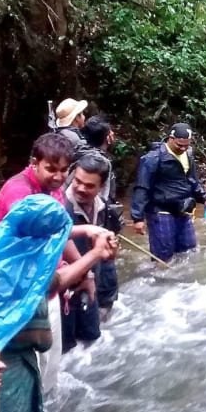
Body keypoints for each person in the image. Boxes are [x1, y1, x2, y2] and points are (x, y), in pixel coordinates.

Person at [0, 197, 118, 412]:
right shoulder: (3, 269)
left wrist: (94, 253)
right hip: (0, 369)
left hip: (12, 367)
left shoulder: (6, 250)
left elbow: (53, 283)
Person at [0, 132, 111, 394]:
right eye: (50, 169)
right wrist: (91, 251)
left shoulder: (53, 189)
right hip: (18, 292)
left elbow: (59, 232)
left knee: (50, 364)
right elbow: (42, 262)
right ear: (34, 162)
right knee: (23, 370)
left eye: (63, 170)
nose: (58, 177)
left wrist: (86, 274)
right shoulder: (19, 192)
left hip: (48, 286)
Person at [131, 123, 206, 263]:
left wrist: (205, 199)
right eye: (179, 145)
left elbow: (192, 180)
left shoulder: (188, 154)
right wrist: (137, 218)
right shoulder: (153, 158)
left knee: (188, 252)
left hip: (182, 208)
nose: (182, 149)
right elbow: (142, 187)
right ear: (170, 138)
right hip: (160, 210)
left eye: (186, 145)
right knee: (163, 256)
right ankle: (160, 282)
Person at [62, 154, 120, 352]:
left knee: (91, 339)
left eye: (89, 186)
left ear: (101, 186)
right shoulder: (59, 207)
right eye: (77, 181)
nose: (80, 188)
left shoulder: (102, 207)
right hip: (63, 288)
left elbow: (106, 258)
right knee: (65, 348)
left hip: (90, 283)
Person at [79, 115, 121, 321]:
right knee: (103, 264)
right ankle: (102, 310)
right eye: (110, 132)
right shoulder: (101, 164)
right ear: (107, 137)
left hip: (82, 221)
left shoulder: (79, 154)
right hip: (96, 221)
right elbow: (101, 198)